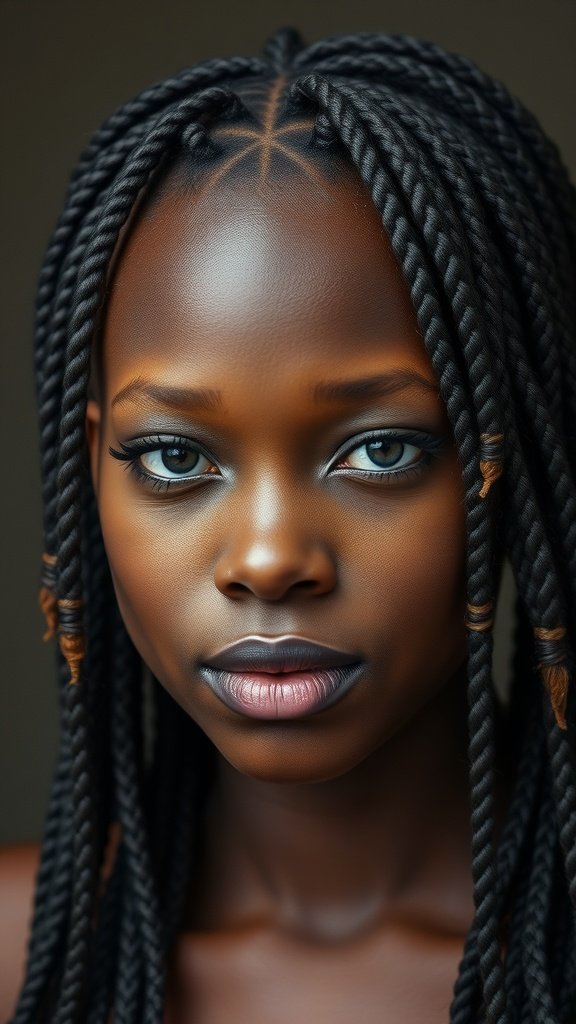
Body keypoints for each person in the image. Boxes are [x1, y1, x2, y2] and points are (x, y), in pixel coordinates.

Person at [2, 26, 575, 1023]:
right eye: (176, 457)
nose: (270, 558)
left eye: (382, 450)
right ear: (90, 462)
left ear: (516, 456)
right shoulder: (20, 956)